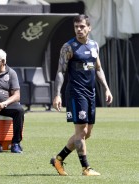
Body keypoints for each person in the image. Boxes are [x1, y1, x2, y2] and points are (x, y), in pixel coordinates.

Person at [50, 14, 113, 176]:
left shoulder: (94, 45)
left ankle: (58, 159)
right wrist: (57, 94)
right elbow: (60, 72)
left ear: (89, 28)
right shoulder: (68, 47)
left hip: (90, 93)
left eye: (82, 26)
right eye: (76, 27)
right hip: (76, 93)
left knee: (87, 133)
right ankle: (86, 168)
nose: (79, 29)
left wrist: (106, 88)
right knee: (81, 132)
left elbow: (98, 68)